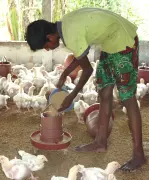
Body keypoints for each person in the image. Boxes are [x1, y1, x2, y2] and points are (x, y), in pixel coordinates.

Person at [24, 7, 146, 171]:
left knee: (128, 99)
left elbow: (87, 70)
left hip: (124, 42)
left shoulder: (70, 33)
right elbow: (81, 55)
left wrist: (72, 95)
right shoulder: (65, 26)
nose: (47, 49)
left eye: (45, 45)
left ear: (50, 36)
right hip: (109, 44)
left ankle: (139, 155)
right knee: (104, 92)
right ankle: (100, 141)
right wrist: (65, 73)